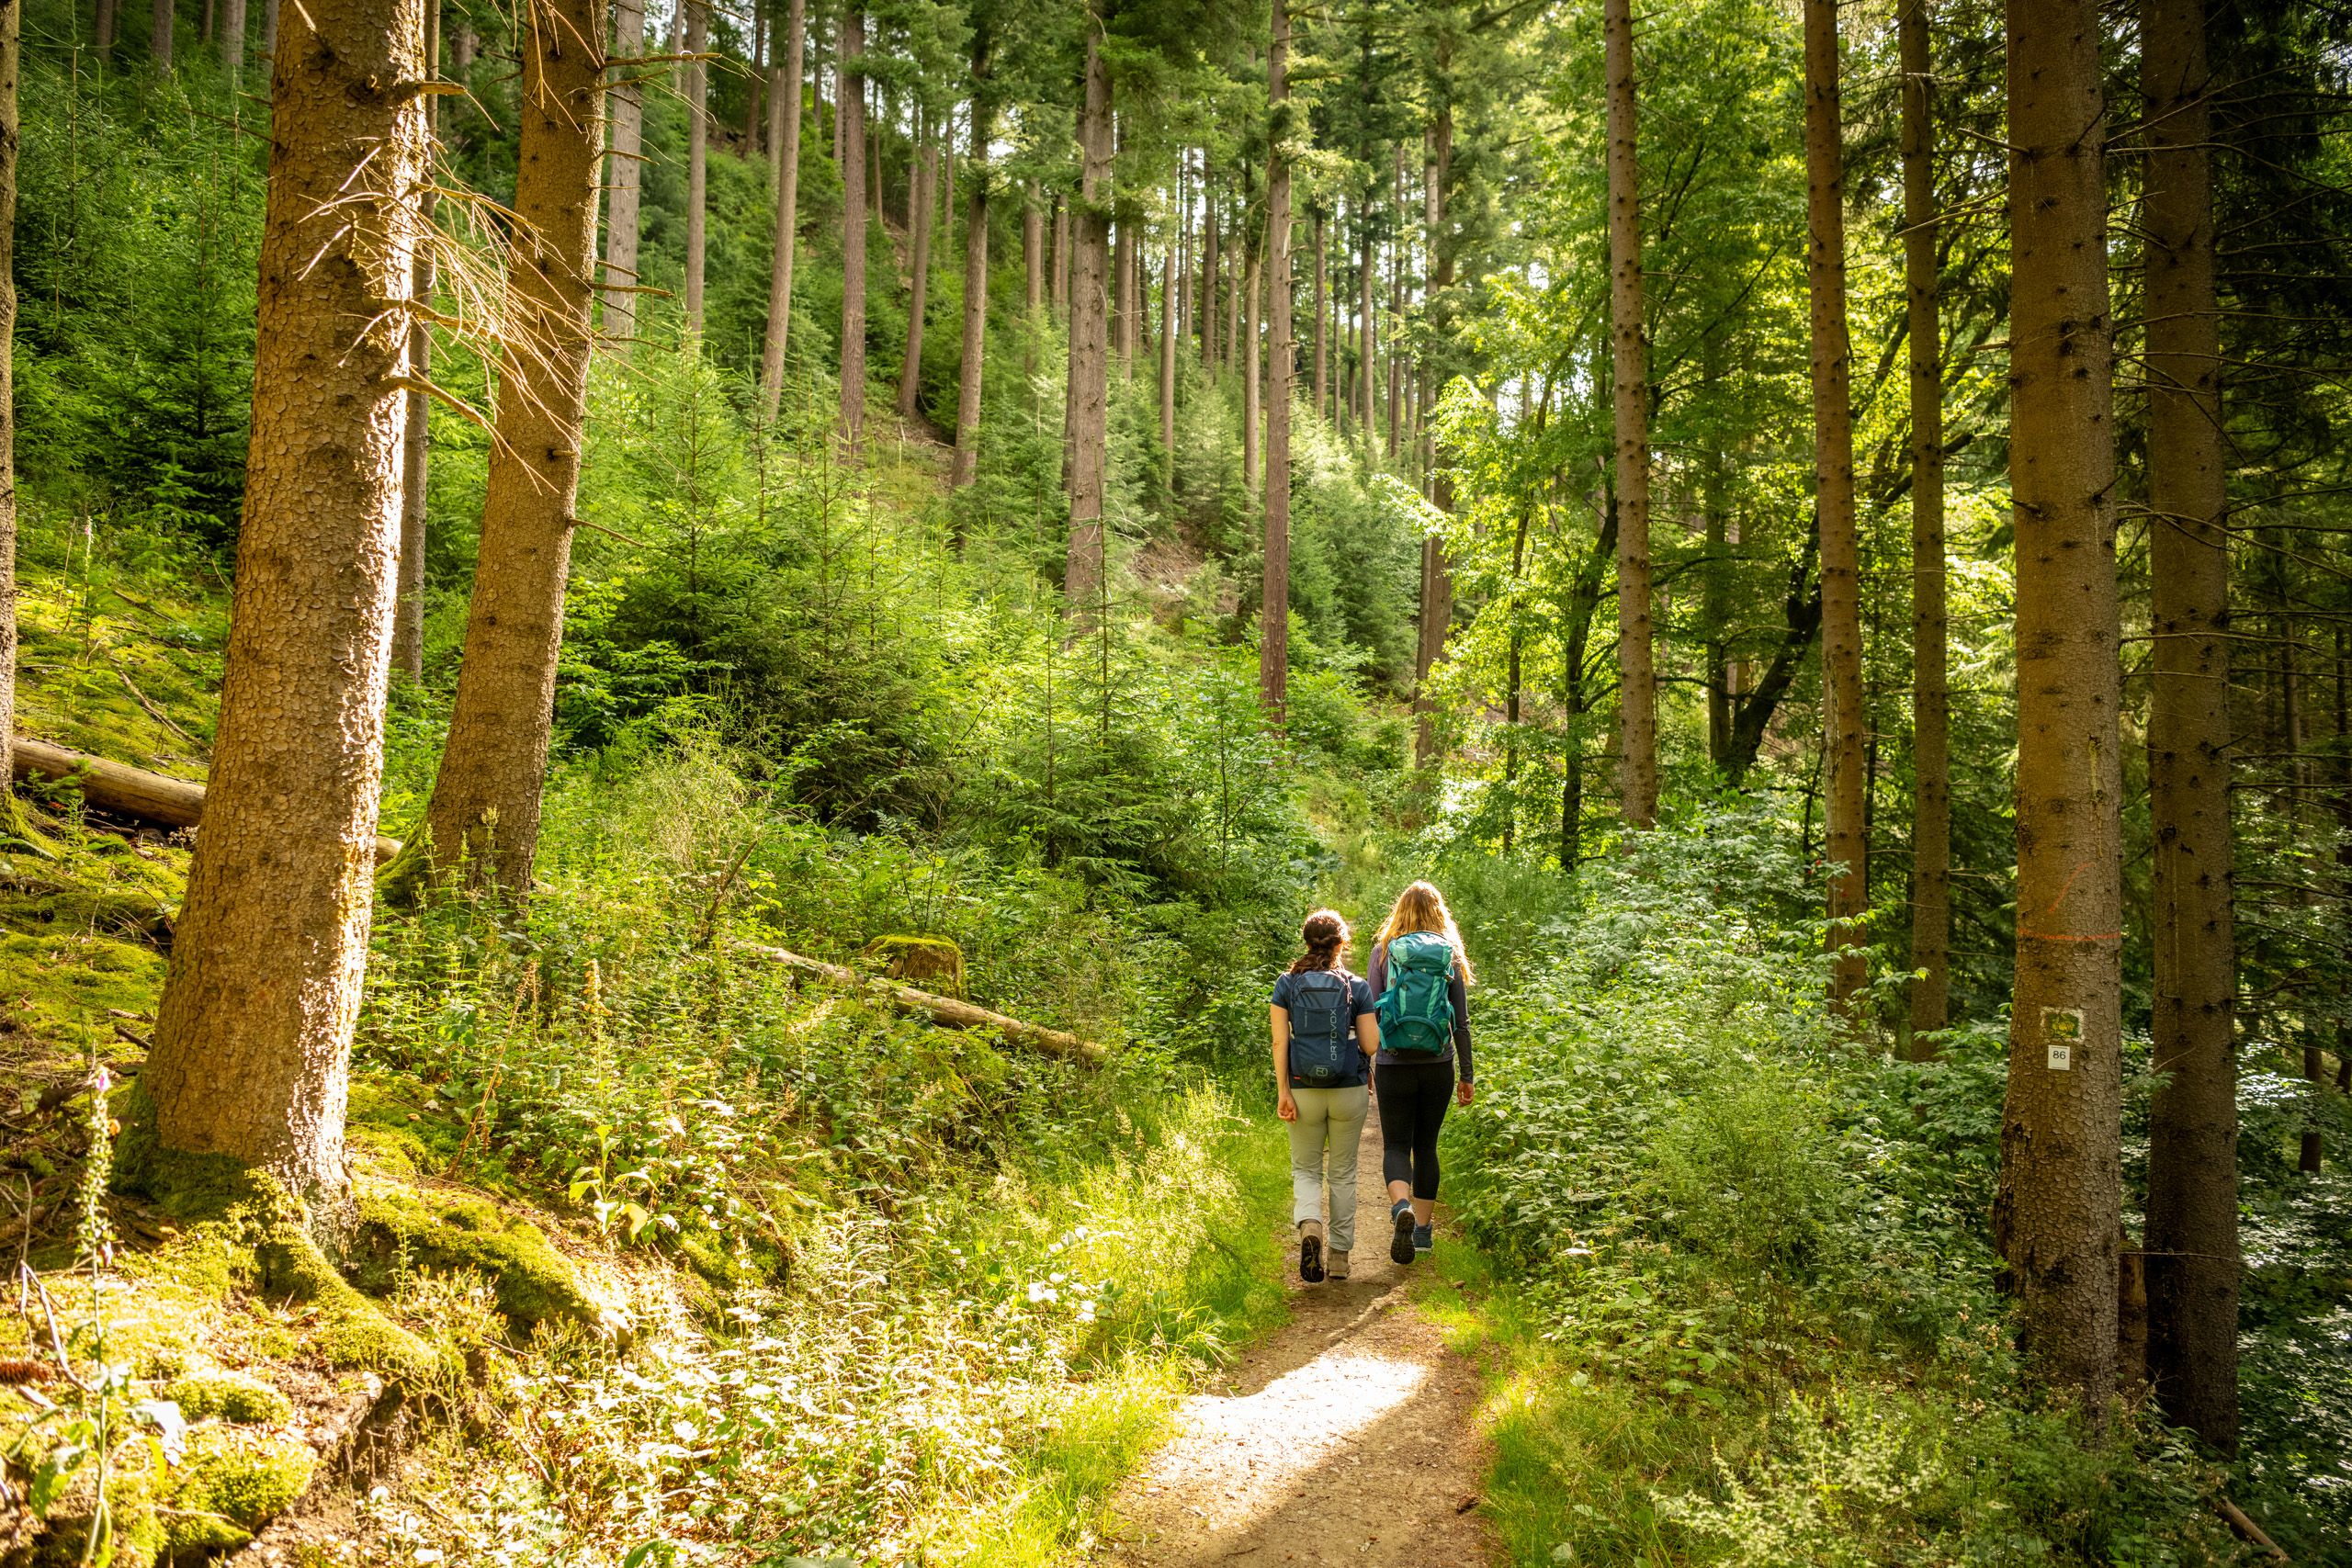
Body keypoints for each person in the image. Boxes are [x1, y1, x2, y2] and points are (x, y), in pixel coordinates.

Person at [1367, 881, 1475, 1267]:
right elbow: (1460, 1022)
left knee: (1396, 1146)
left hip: (1393, 1062)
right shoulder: (1449, 954)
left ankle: (1401, 1208)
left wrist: (1366, 1064)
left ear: (1399, 910)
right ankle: (1424, 1233)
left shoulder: (1383, 951)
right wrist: (1467, 1075)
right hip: (1437, 1064)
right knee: (1426, 1147)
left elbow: (1372, 1013)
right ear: (1439, 912)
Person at [1271, 909, 1380, 1283]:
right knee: (1343, 1173)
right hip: (1349, 1089)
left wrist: (1284, 1092)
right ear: (1340, 944)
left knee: (1306, 1169)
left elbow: (1280, 1042)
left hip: (1304, 1090)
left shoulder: (1286, 984)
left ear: (1306, 941)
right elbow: (1371, 1044)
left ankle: (1311, 1227)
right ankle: (1339, 1259)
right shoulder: (1357, 986)